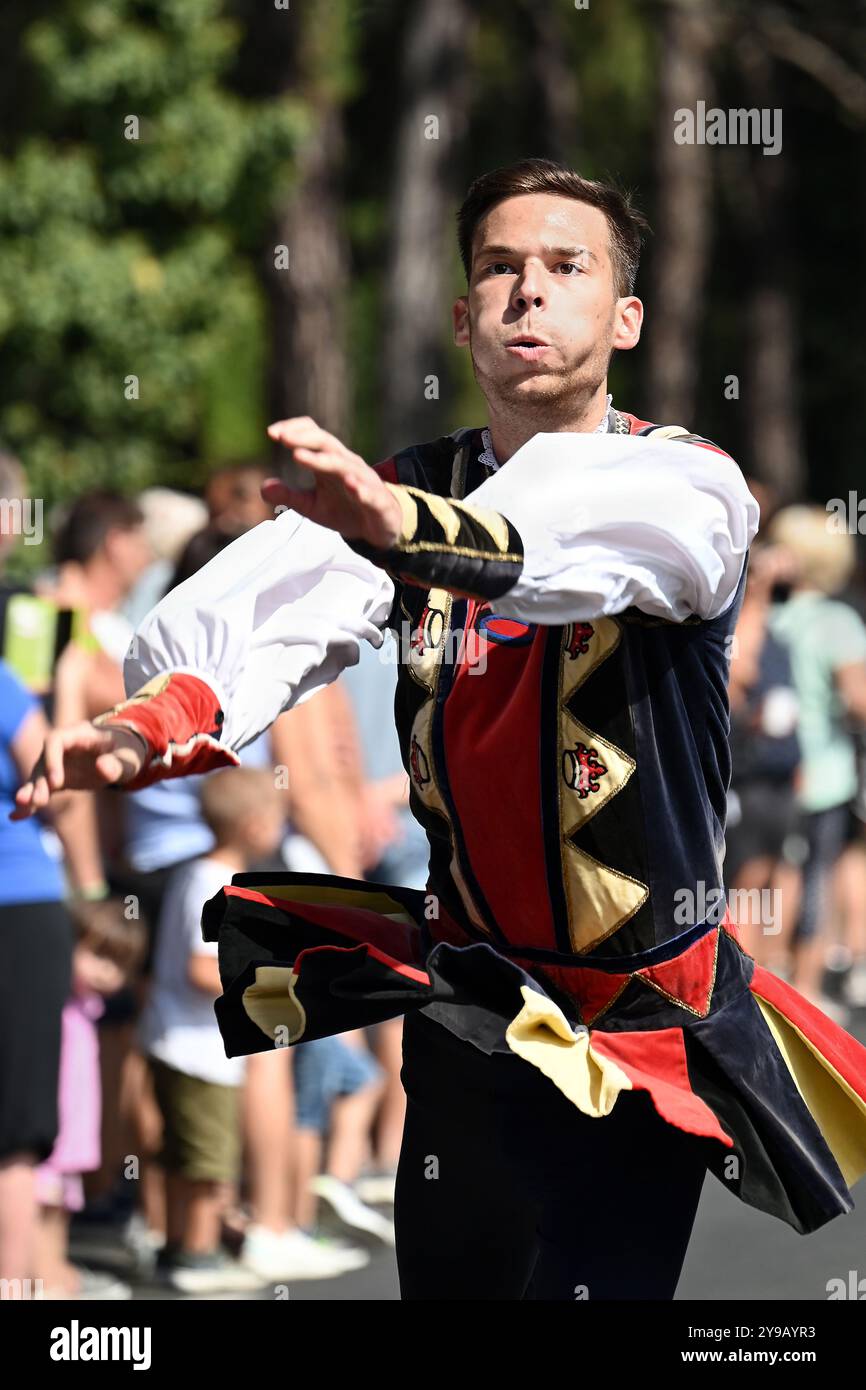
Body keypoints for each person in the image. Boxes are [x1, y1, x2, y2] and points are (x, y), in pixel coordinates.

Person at [14, 157, 866, 1302]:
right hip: (467, 1022)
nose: (528, 290)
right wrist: (144, 726)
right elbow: (274, 603)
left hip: (627, 1042)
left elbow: (567, 542)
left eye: (565, 267)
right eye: (500, 268)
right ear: (462, 316)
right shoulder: (405, 489)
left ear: (622, 319)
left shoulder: (683, 486)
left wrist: (400, 525)